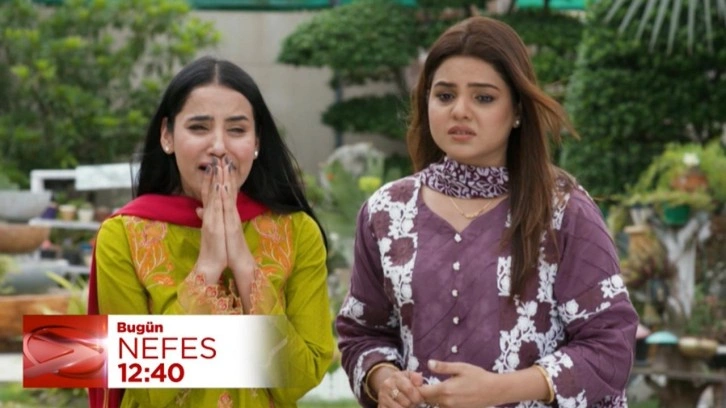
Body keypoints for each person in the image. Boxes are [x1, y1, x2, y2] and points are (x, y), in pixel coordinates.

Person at [336, 16, 638, 408]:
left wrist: (502, 389)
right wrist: (384, 378)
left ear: (517, 111)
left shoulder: (562, 210)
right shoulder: (387, 211)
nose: (459, 111)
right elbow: (363, 333)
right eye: (445, 95)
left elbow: (611, 346)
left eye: (483, 98)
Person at [87, 56, 334, 408]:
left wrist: (244, 266)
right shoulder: (122, 235)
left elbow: (300, 379)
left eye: (237, 130)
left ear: (257, 141)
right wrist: (207, 268)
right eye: (199, 127)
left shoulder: (297, 231)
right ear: (167, 136)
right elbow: (144, 390)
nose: (218, 146)